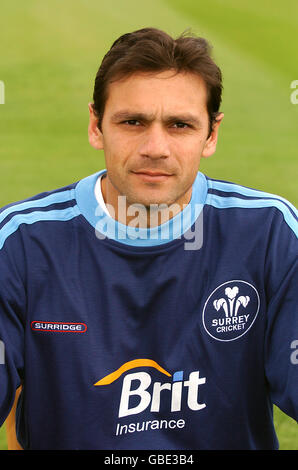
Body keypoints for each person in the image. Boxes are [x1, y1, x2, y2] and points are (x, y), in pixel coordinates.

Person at [0, 27, 297, 451]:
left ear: (210, 135)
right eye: (133, 122)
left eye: (179, 125)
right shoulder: (21, 242)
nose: (155, 147)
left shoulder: (269, 233)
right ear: (96, 126)